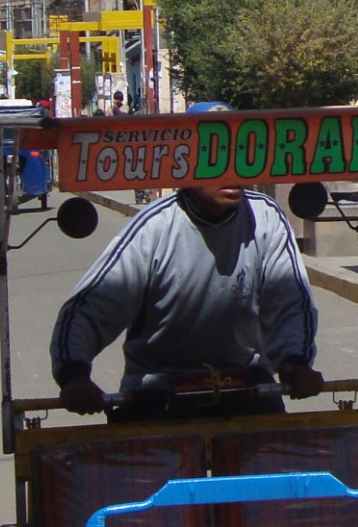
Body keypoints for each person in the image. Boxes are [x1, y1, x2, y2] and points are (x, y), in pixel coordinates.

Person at [51, 178, 322, 417]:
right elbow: (92, 306)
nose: (232, 174)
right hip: (157, 393)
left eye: (238, 160)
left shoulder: (266, 219)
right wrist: (74, 373)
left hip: (247, 385)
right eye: (214, 161)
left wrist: (294, 360)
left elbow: (291, 301)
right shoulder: (154, 227)